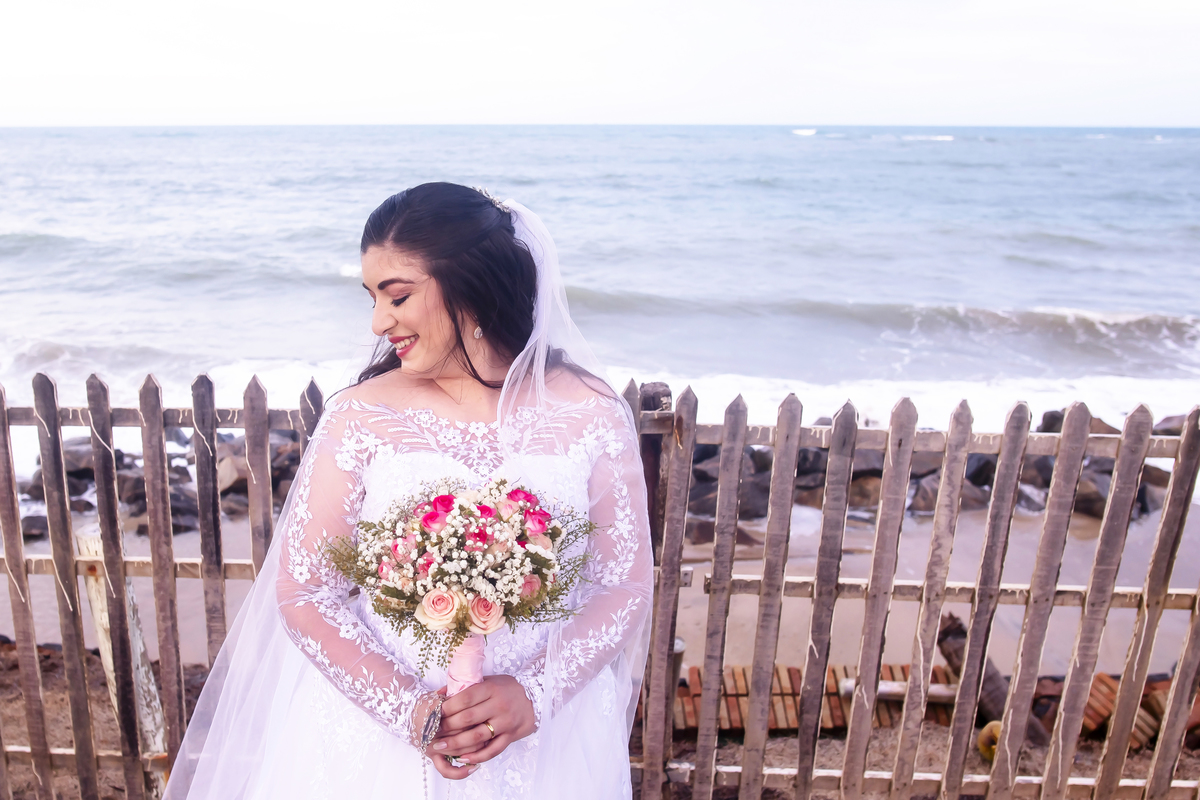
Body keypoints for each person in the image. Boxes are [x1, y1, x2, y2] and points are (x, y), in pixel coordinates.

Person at [164, 183, 653, 799]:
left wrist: (537, 692)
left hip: (543, 741)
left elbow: (623, 584)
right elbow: (307, 589)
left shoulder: (590, 411)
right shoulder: (360, 416)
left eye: (397, 296)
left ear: (471, 284)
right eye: (372, 298)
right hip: (380, 745)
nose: (377, 321)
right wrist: (412, 712)